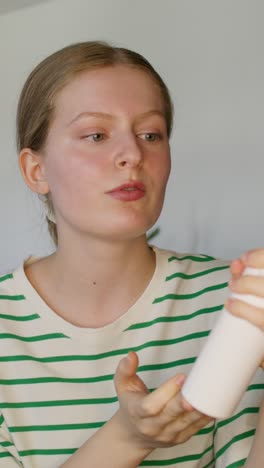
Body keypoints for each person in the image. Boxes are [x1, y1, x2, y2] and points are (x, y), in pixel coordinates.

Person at [0, 41, 263, 468]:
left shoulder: (235, 300)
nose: (133, 155)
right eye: (97, 135)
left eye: (150, 134)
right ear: (37, 170)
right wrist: (125, 439)